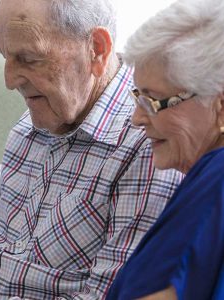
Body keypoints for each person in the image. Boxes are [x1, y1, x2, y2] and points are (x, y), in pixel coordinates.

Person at [0, 0, 183, 298]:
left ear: (96, 49)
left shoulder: (148, 144)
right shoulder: (26, 130)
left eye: (29, 58)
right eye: (5, 57)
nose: (9, 81)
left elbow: (110, 294)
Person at [106, 0, 224, 299]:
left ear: (221, 107)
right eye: (137, 96)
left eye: (153, 100)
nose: (136, 118)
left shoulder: (217, 178)